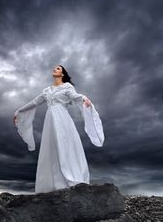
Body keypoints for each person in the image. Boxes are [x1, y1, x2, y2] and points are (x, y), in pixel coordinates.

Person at [13, 65, 104, 194]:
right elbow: (34, 102)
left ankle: (70, 179)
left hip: (62, 119)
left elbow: (74, 96)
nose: (55, 69)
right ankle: (51, 184)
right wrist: (18, 112)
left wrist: (84, 99)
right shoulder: (46, 90)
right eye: (55, 68)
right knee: (51, 147)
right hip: (50, 120)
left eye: (58, 69)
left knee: (64, 145)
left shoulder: (67, 86)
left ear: (62, 74)